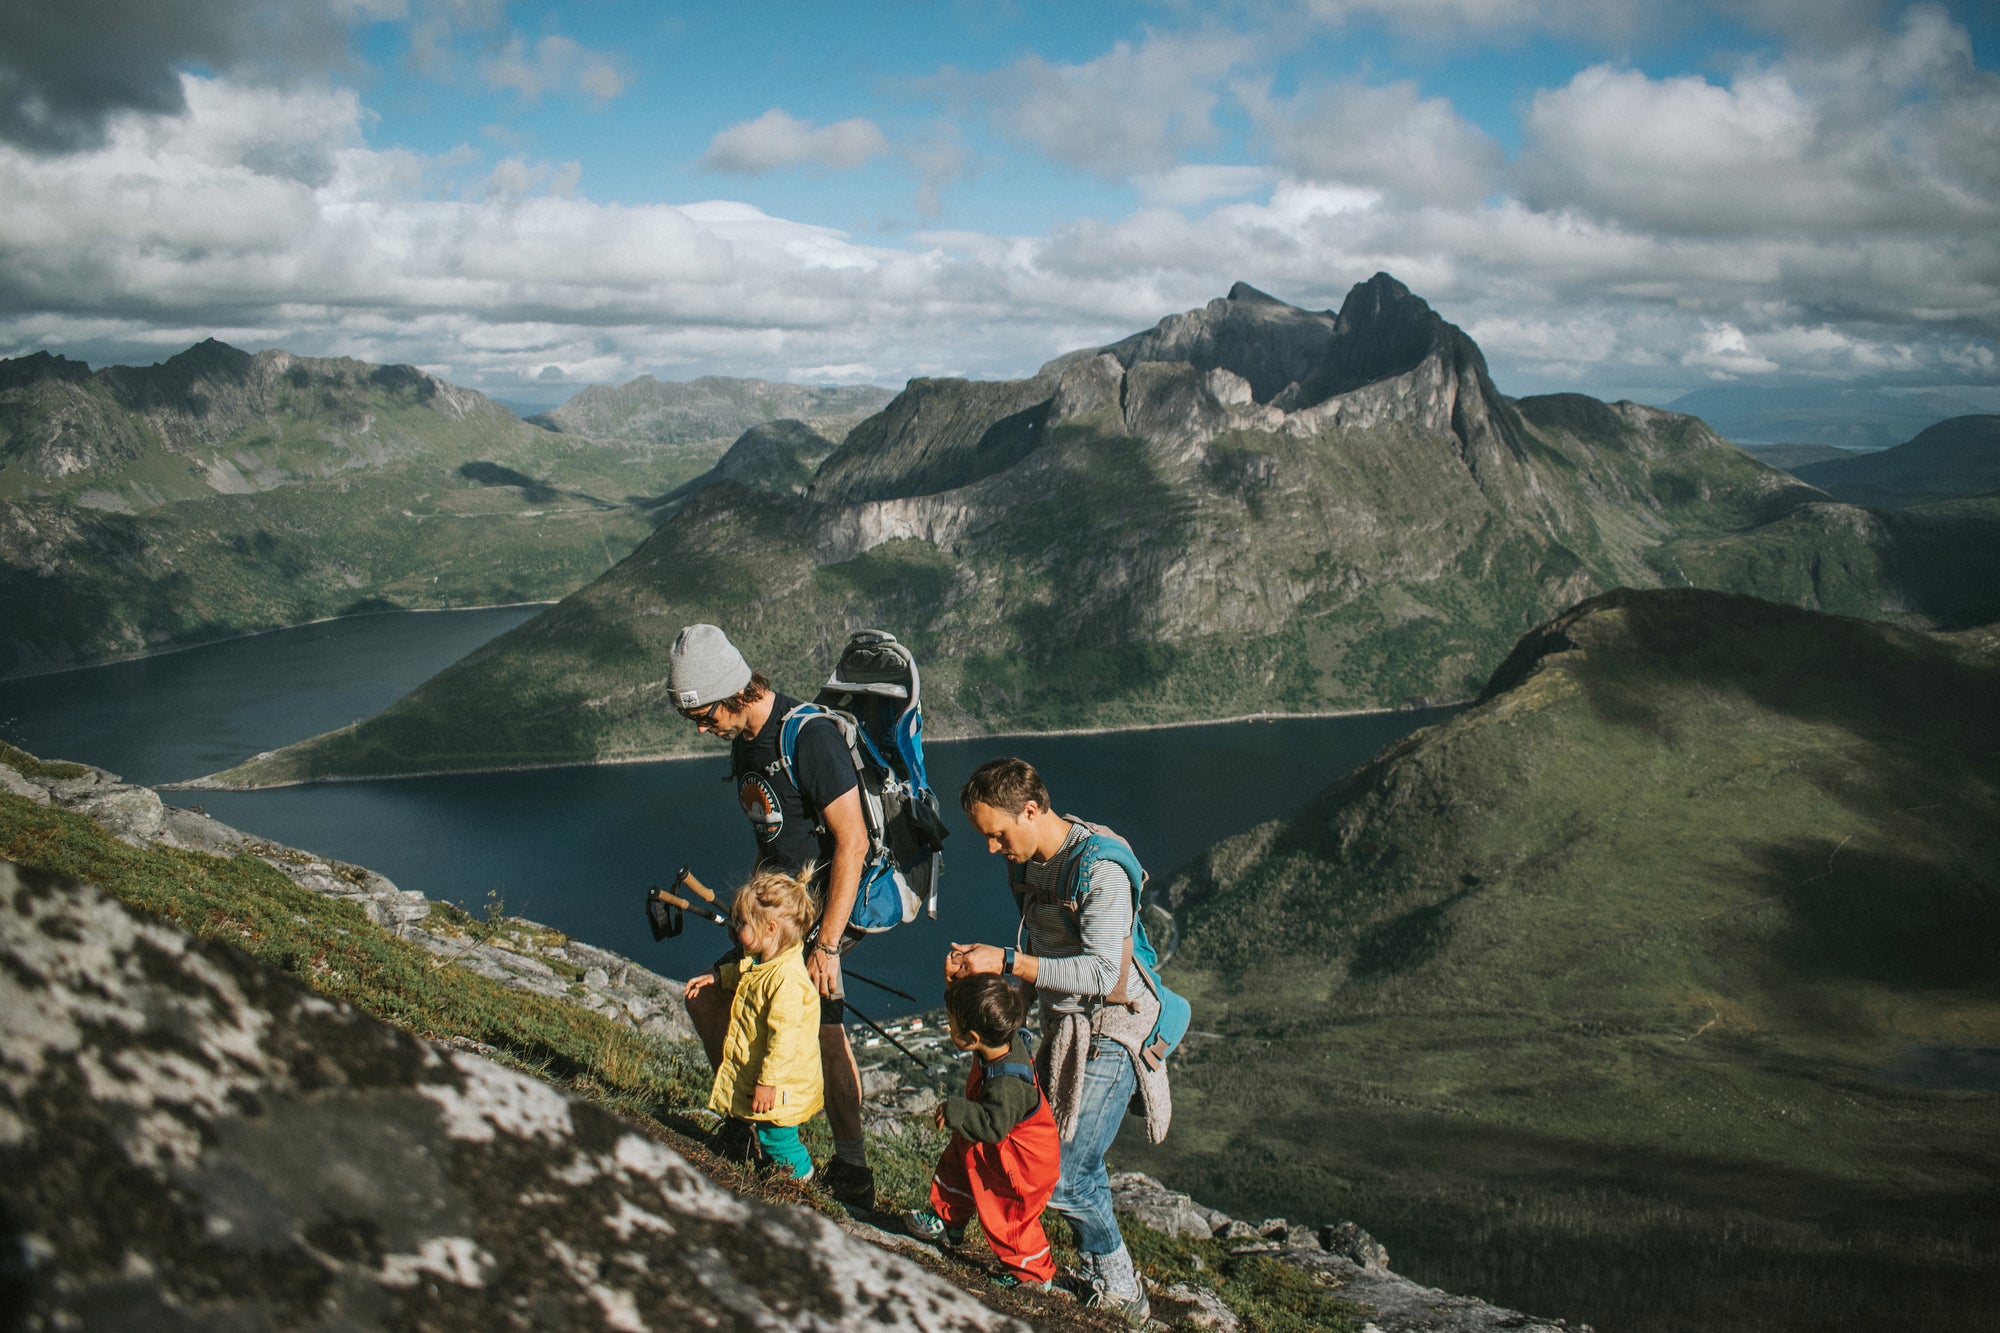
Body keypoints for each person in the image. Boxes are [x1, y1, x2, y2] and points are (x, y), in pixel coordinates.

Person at [945, 757, 1169, 1325]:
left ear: (1030, 810)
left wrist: (1008, 961)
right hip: (1065, 1027)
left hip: (1114, 1029)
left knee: (1066, 1171)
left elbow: (1103, 974)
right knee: (1054, 1159)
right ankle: (1099, 1274)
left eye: (998, 834)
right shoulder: (1028, 865)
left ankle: (1122, 1288)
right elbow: (1045, 955)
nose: (992, 848)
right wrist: (984, 975)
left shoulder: (1099, 868)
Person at [669, 622, 877, 1211]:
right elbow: (774, 838)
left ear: (733, 691)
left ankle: (852, 1167)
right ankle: (747, 1125)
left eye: (705, 715)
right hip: (775, 917)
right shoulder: (745, 741)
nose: (703, 729)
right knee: (710, 996)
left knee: (825, 1030)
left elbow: (854, 841)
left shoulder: (809, 739)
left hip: (820, 916)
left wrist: (827, 946)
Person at [904, 974, 1061, 1291]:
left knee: (1009, 1211)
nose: (948, 1028)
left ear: (973, 1037)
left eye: (952, 1025)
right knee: (959, 1162)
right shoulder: (1000, 1039)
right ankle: (948, 1220)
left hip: (1024, 1163)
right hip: (1002, 1142)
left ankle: (1033, 1272)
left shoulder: (1006, 1084)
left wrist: (957, 1111)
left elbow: (993, 1125)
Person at [685, 866, 823, 1179]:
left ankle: (800, 1179)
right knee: (770, 1132)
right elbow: (747, 975)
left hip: (782, 1082)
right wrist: (718, 978)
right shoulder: (767, 962)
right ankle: (782, 1175)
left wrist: (768, 1083)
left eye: (743, 923)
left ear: (770, 929)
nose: (736, 929)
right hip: (776, 1079)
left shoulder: (786, 981)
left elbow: (783, 1040)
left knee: (777, 1137)